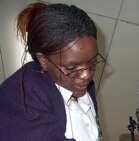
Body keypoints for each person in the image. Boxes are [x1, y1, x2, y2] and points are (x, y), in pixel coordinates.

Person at [0, 2, 105, 141]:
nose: (87, 75)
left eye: (92, 62)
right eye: (72, 68)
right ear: (43, 60)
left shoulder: (81, 84)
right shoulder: (21, 102)